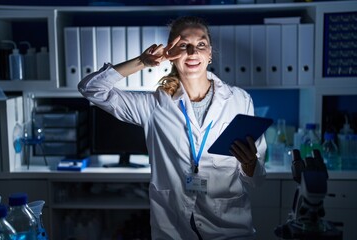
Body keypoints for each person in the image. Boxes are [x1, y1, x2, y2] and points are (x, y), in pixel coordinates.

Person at [78, 16, 267, 240]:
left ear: (209, 54)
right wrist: (142, 61)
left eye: (201, 45)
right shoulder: (154, 106)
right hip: (173, 229)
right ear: (171, 54)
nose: (193, 52)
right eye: (183, 45)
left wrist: (250, 163)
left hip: (229, 230)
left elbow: (257, 178)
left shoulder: (239, 100)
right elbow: (91, 89)